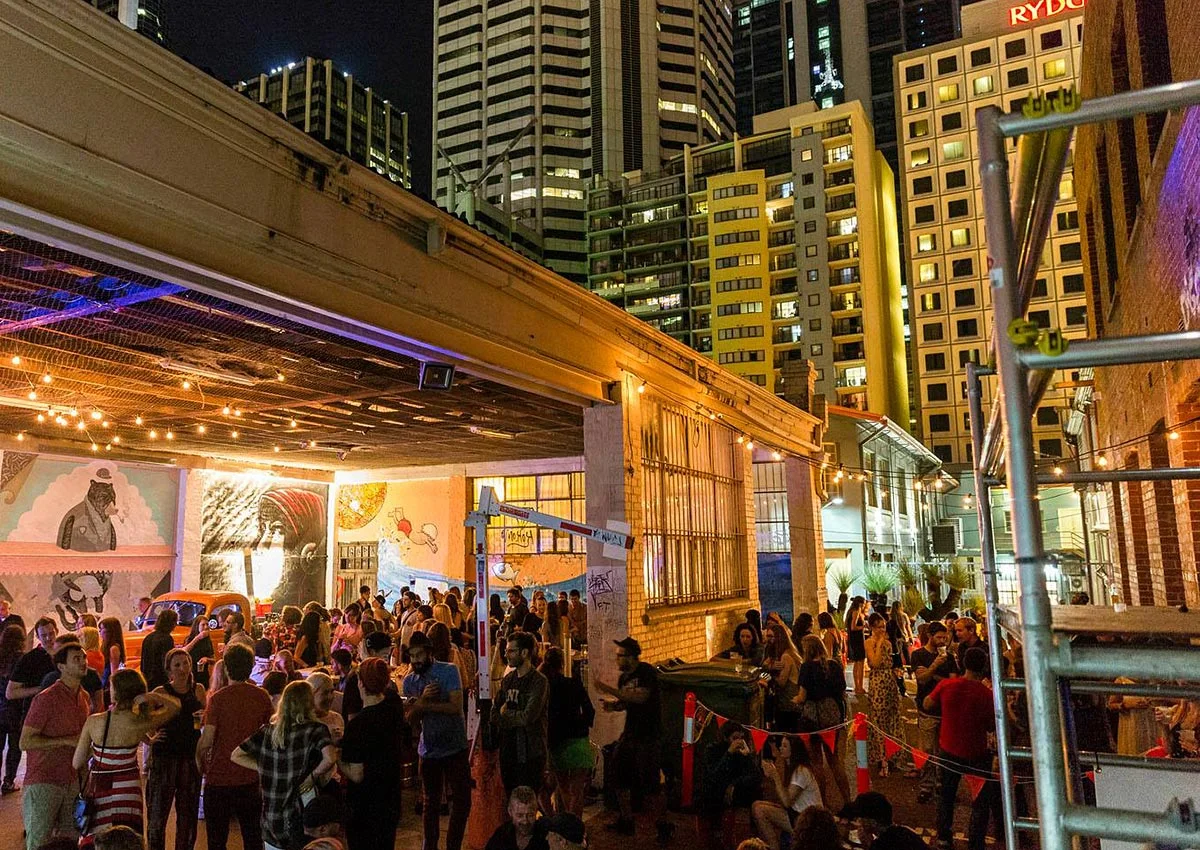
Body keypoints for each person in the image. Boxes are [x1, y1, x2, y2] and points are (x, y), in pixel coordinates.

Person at [74, 667, 181, 837]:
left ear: (116, 693)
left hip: (100, 784)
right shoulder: (140, 721)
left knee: (100, 837)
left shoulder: (94, 722)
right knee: (127, 836)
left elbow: (77, 762)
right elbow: (175, 706)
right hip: (129, 787)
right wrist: (150, 696)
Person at [233, 680, 338, 850]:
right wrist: (312, 777)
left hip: (271, 819)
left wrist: (265, 767)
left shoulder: (267, 731)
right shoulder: (315, 730)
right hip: (299, 816)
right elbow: (330, 758)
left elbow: (236, 755)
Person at [196, 643, 274, 850]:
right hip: (250, 777)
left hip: (220, 778)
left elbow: (207, 740)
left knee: (217, 840)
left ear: (226, 668)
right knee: (253, 838)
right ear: (250, 667)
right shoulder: (262, 696)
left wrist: (201, 763)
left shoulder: (218, 699)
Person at [924, 647, 1001, 850]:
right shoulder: (986, 694)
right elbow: (992, 726)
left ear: (963, 663)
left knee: (946, 796)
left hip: (948, 748)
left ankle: (944, 837)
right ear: (984, 666)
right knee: (980, 801)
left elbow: (927, 703)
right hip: (976, 751)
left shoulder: (948, 685)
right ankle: (976, 842)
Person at [594, 637, 669, 843]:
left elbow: (641, 697)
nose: (617, 660)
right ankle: (625, 819)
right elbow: (627, 702)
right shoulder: (624, 678)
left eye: (621, 656)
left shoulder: (646, 673)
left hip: (648, 734)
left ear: (631, 656)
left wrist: (606, 688)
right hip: (630, 733)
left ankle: (662, 824)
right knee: (618, 774)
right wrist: (614, 706)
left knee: (650, 783)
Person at [403, 630, 471, 850]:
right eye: (412, 656)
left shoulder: (449, 671)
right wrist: (422, 702)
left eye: (419, 655)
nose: (415, 660)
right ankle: (429, 845)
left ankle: (453, 845)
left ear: (429, 653)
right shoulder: (410, 681)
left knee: (462, 801)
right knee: (430, 803)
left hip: (455, 747)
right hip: (429, 749)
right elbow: (410, 720)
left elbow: (455, 706)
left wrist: (424, 705)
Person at [20, 642, 91, 850]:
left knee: (69, 841)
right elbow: (25, 741)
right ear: (61, 666)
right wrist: (66, 740)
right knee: (39, 841)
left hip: (72, 781)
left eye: (83, 658)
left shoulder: (84, 697)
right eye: (76, 659)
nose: (83, 662)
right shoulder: (46, 698)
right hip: (44, 781)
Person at [340, 657, 405, 850]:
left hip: (365, 805)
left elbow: (357, 774)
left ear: (360, 683)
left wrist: (336, 758)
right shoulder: (394, 708)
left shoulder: (358, 725)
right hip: (391, 796)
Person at [146, 649, 206, 850]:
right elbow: (144, 719)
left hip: (190, 755)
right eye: (177, 665)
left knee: (187, 815)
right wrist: (151, 739)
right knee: (158, 813)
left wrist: (201, 719)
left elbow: (200, 722)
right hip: (165, 757)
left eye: (185, 663)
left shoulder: (198, 689)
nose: (182, 669)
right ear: (169, 669)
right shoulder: (161, 692)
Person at [796, 635, 850, 809]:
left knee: (817, 763)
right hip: (832, 717)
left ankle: (823, 803)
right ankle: (848, 801)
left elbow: (802, 696)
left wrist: (795, 700)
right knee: (835, 761)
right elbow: (842, 693)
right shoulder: (835, 665)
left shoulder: (806, 667)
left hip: (813, 718)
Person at [491, 631, 549, 795]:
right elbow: (494, 714)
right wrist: (505, 715)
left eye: (511, 651)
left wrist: (506, 714)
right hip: (508, 751)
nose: (506, 654)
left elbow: (528, 717)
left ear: (524, 653)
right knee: (511, 798)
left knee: (528, 799)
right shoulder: (508, 680)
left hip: (530, 752)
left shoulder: (538, 681)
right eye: (506, 650)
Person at [540, 646, 594, 816]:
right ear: (563, 664)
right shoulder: (574, 684)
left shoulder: (545, 687)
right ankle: (576, 829)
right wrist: (582, 726)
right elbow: (589, 710)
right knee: (577, 792)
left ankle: (566, 827)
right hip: (578, 741)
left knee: (564, 790)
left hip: (557, 743)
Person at [909, 622, 956, 802]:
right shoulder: (919, 655)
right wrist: (935, 665)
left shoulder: (950, 658)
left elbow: (952, 682)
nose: (942, 641)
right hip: (926, 709)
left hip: (945, 709)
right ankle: (926, 787)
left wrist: (937, 677)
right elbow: (921, 679)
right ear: (930, 636)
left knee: (944, 751)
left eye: (945, 637)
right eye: (939, 637)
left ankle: (942, 785)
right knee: (927, 750)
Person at [750, 734, 822, 850]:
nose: (781, 748)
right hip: (796, 813)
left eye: (785, 746)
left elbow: (787, 802)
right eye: (781, 745)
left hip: (807, 820)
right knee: (757, 805)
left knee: (759, 810)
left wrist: (775, 775)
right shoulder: (791, 769)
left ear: (793, 750)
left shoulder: (801, 771)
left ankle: (774, 847)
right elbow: (784, 799)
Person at [698, 722, 760, 850]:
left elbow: (755, 776)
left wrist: (748, 757)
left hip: (733, 791)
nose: (738, 741)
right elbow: (714, 775)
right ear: (726, 738)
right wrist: (729, 753)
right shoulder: (713, 750)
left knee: (756, 791)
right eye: (735, 738)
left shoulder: (741, 753)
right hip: (713, 791)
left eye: (741, 738)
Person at [865, 613, 902, 776]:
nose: (882, 630)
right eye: (879, 627)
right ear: (872, 627)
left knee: (892, 718)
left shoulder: (888, 643)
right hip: (877, 681)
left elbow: (890, 662)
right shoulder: (869, 642)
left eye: (884, 627)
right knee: (879, 719)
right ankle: (881, 758)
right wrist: (878, 643)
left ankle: (893, 754)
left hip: (889, 680)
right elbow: (874, 662)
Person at [8, 617, 59, 723]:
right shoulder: (29, 659)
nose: (48, 638)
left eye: (51, 633)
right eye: (44, 635)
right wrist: (41, 689)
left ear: (57, 632)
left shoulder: (64, 654)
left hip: (60, 712)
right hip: (36, 714)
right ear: (38, 637)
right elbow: (11, 693)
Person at [341, 631, 395, 722]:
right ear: (373, 653)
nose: (386, 661)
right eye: (385, 656)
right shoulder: (356, 679)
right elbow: (352, 718)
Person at [0, 622, 27, 795]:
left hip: (0, 707)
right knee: (14, 746)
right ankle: (9, 781)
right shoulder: (22, 659)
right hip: (16, 709)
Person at [762, 623, 802, 732]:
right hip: (787, 703)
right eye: (767, 636)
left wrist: (771, 673)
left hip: (789, 704)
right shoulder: (784, 653)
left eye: (771, 636)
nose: (768, 639)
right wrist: (767, 666)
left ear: (779, 638)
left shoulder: (786, 656)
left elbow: (781, 682)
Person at [485, 786, 548, 850]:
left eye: (530, 815)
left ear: (536, 811)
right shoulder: (501, 836)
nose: (525, 821)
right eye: (520, 815)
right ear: (510, 812)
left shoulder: (547, 838)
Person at [140, 609, 177, 692]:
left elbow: (143, 661)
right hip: (160, 680)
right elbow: (166, 661)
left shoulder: (148, 637)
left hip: (148, 679)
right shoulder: (167, 639)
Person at [183, 617, 214, 691]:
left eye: (207, 624)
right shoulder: (190, 639)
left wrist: (207, 659)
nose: (206, 627)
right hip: (191, 674)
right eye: (203, 625)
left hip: (203, 675)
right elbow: (184, 651)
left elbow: (213, 659)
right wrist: (197, 638)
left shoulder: (208, 641)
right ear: (197, 627)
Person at [846, 598, 867, 695]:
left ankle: (858, 686)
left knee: (857, 663)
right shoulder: (856, 612)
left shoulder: (852, 611)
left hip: (855, 639)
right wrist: (863, 627)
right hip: (857, 639)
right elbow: (853, 627)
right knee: (860, 663)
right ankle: (859, 686)